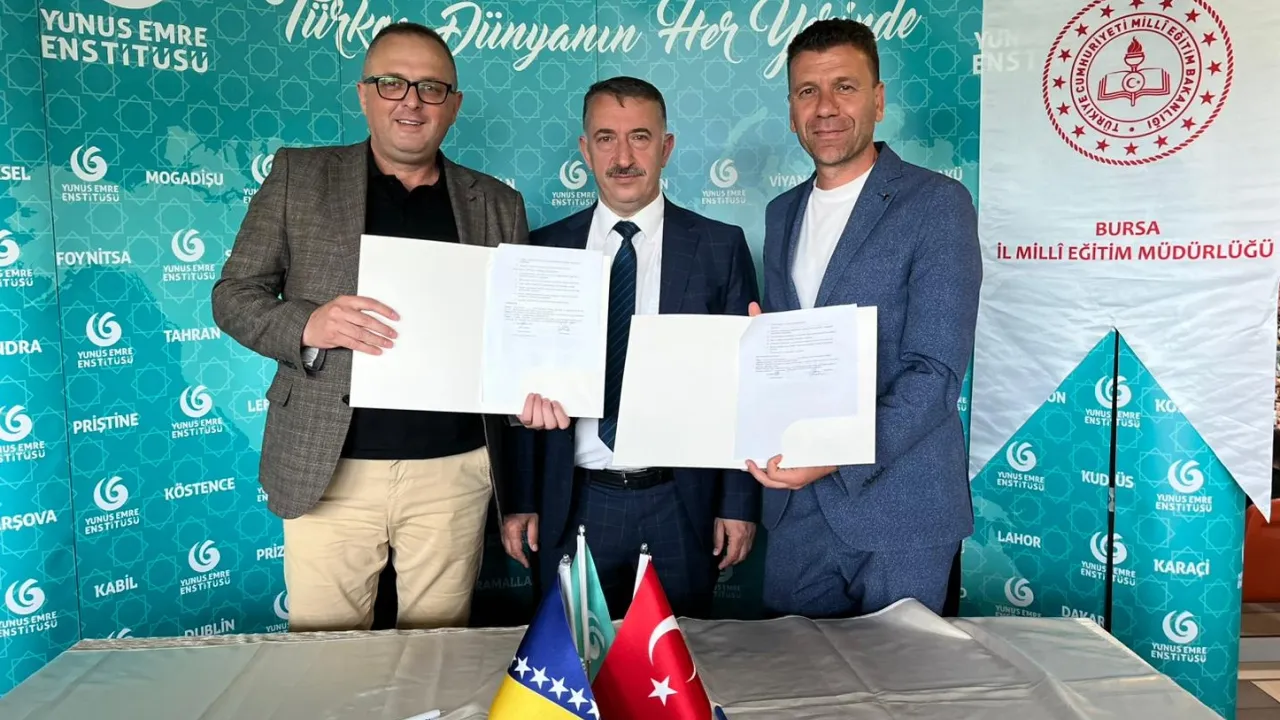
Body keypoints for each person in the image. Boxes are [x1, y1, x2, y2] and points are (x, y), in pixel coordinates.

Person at [211, 22, 530, 632]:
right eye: (392, 83)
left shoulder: (497, 203)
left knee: (437, 654)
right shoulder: (299, 176)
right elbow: (233, 297)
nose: (411, 101)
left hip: (454, 472)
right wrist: (309, 323)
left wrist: (537, 388)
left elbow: (517, 335)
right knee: (326, 660)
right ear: (363, 94)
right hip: (329, 467)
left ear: (454, 105)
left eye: (432, 88)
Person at [503, 77, 761, 619]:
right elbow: (522, 383)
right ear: (585, 149)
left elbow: (745, 383)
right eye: (606, 138)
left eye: (640, 137)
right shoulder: (544, 247)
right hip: (574, 502)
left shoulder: (719, 246)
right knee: (572, 660)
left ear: (666, 147)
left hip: (680, 503)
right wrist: (521, 499)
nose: (623, 157)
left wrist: (737, 502)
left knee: (680, 660)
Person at [748, 18, 981, 618]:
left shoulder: (938, 203)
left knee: (900, 677)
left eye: (844, 87)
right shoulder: (780, 213)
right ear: (791, 109)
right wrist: (756, 348)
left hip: (903, 510)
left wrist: (832, 452)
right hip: (796, 512)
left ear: (878, 101)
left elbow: (935, 374)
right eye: (807, 91)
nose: (825, 107)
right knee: (792, 673)